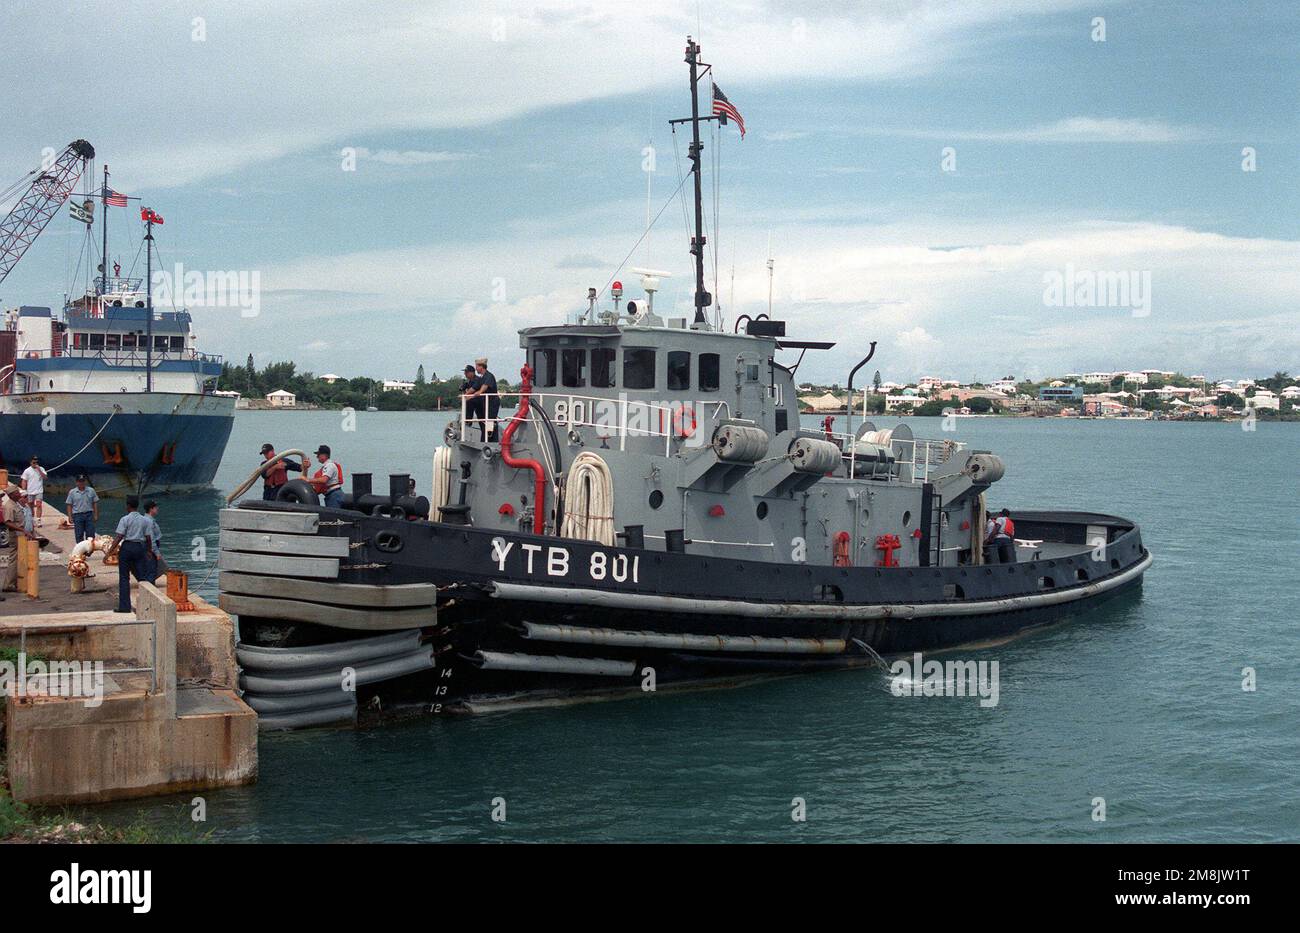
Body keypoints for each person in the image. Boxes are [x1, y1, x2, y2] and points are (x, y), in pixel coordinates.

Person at [104, 495, 153, 613]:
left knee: (124, 578)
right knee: (142, 578)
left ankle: (124, 607)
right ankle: (147, 605)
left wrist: (109, 552)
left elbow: (119, 536)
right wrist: (149, 551)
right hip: (140, 548)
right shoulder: (145, 520)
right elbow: (148, 538)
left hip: (127, 547)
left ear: (128, 506)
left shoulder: (124, 519)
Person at [470, 357, 500, 441]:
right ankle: (485, 439)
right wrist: (466, 395)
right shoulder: (481, 378)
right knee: (484, 421)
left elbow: (483, 388)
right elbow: (473, 388)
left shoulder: (489, 376)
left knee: (490, 421)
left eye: (476, 366)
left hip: (492, 402)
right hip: (485, 403)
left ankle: (492, 440)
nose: (476, 368)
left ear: (481, 367)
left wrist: (477, 393)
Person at [65, 474, 99, 543]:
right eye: (80, 481)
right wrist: (70, 516)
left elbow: (95, 503)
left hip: (89, 515)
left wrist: (95, 515)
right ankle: (80, 551)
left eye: (83, 481)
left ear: (85, 482)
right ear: (76, 482)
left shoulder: (91, 490)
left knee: (90, 534)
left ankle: (89, 551)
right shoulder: (72, 492)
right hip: (77, 515)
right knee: (79, 534)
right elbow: (69, 505)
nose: (81, 483)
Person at [309, 445, 345, 509]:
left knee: (333, 516)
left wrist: (308, 480)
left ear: (324, 455)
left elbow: (324, 480)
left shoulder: (329, 465)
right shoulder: (328, 466)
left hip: (334, 494)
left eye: (318, 454)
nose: (317, 457)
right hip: (333, 494)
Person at [142, 500, 166, 582]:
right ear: (151, 509)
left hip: (149, 547)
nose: (157, 509)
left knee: (152, 569)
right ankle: (150, 588)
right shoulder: (149, 521)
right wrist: (157, 553)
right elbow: (151, 539)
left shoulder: (147, 519)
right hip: (150, 548)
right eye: (155, 507)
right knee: (151, 570)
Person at [19, 456, 46, 527]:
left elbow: (45, 477)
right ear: (30, 462)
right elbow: (24, 480)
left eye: (36, 462)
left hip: (39, 490)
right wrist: (23, 490)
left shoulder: (41, 468)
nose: (35, 464)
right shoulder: (27, 470)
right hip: (30, 491)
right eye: (34, 462)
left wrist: (39, 470)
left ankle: (39, 520)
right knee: (30, 505)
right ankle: (32, 519)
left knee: (39, 505)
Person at [460, 364, 485, 441]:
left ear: (472, 372)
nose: (465, 374)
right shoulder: (470, 381)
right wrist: (463, 388)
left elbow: (473, 390)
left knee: (482, 422)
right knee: (482, 422)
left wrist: (465, 396)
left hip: (480, 403)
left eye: (467, 372)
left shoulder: (477, 380)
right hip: (476, 403)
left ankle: (468, 420)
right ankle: (467, 420)